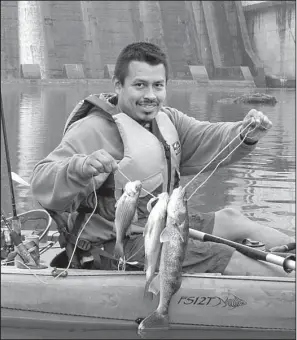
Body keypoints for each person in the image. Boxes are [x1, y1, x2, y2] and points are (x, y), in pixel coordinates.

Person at [30, 42, 294, 277]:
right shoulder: (91, 129)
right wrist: (79, 167)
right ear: (118, 85)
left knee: (231, 217)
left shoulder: (167, 120)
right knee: (225, 256)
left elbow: (208, 136)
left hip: (162, 225)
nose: (150, 95)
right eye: (139, 85)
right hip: (114, 246)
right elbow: (42, 180)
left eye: (158, 85)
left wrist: (245, 132)